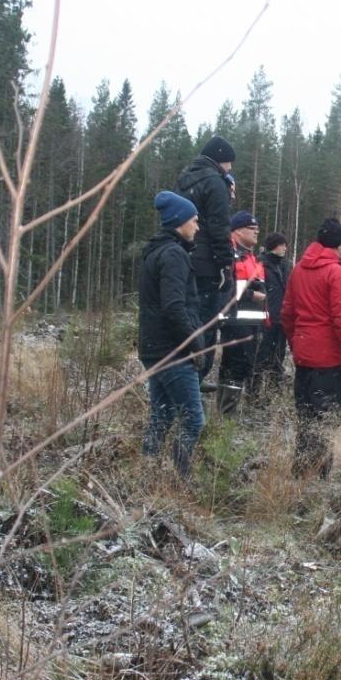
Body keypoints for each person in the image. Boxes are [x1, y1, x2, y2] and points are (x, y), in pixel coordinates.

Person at [281, 218, 341, 480]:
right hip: (329, 360)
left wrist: (298, 344)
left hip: (305, 357)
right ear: (338, 244)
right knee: (327, 419)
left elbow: (287, 314)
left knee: (306, 417)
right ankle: (319, 477)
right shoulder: (336, 273)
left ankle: (300, 474)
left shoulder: (298, 269)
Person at [138, 191, 205, 478]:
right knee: (193, 421)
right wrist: (194, 344)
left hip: (154, 347)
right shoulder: (174, 255)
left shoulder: (155, 251)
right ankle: (181, 478)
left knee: (161, 415)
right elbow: (174, 306)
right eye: (194, 220)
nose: (198, 227)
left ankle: (149, 472)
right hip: (172, 349)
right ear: (180, 221)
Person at [177, 135, 236, 385]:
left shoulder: (184, 180)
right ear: (219, 160)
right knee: (207, 326)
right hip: (207, 264)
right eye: (228, 163)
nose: (230, 168)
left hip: (183, 259)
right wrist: (225, 264)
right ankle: (194, 385)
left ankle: (183, 382)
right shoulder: (215, 182)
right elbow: (219, 225)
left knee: (186, 323)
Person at [215, 211, 266, 416]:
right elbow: (224, 288)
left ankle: (227, 418)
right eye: (251, 229)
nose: (256, 232)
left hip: (252, 324)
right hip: (234, 323)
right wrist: (251, 294)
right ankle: (225, 420)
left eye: (257, 229)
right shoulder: (229, 254)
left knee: (243, 369)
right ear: (236, 232)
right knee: (233, 370)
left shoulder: (252, 257)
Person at [251, 231, 291, 399]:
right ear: (275, 246)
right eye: (282, 244)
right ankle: (254, 393)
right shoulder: (260, 264)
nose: (285, 248)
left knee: (279, 356)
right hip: (265, 319)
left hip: (282, 319)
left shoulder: (286, 265)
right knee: (260, 357)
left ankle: (274, 393)